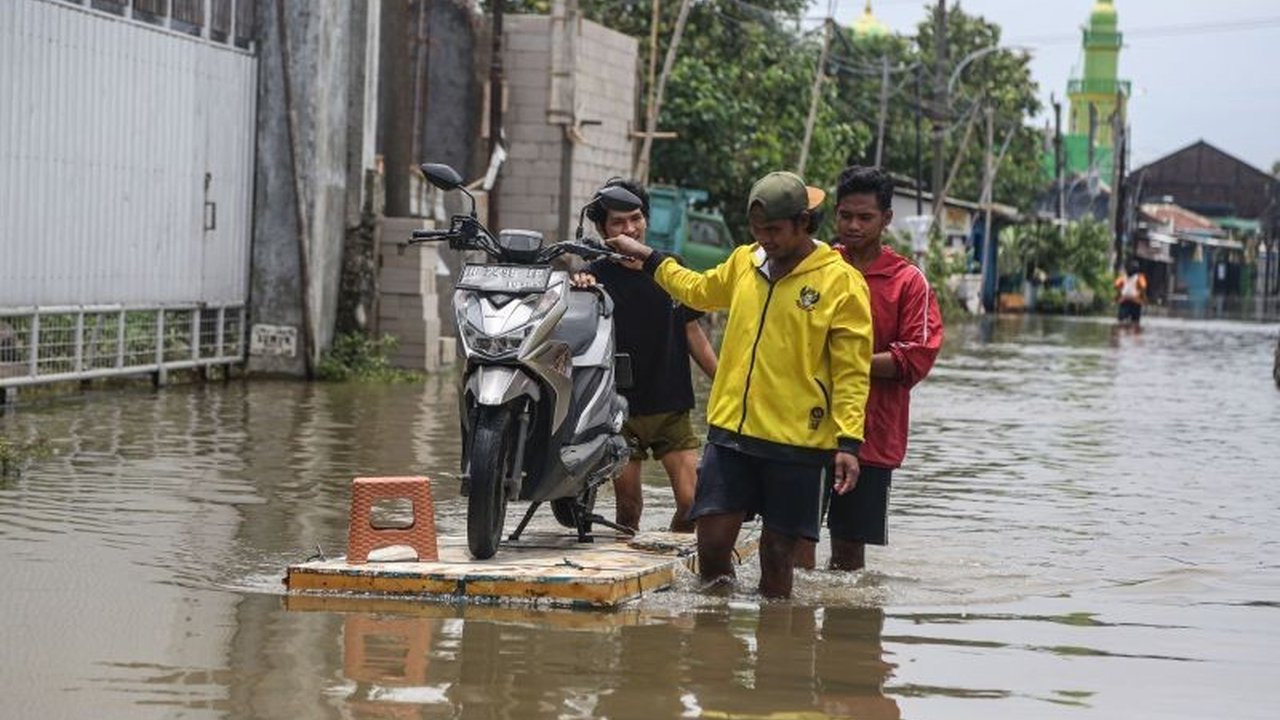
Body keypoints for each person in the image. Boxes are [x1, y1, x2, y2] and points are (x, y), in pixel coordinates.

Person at [606, 171, 873, 598]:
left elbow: (851, 372)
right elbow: (698, 289)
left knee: (776, 557)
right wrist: (650, 257)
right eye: (756, 229)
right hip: (732, 436)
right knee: (711, 547)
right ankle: (715, 646)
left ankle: (776, 652)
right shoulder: (744, 263)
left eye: (774, 230)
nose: (764, 238)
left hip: (797, 443)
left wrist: (849, 443)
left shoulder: (840, 283)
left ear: (803, 223)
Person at [794, 165, 944, 572]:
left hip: (871, 436)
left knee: (847, 553)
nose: (854, 226)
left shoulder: (908, 281)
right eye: (845, 216)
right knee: (792, 543)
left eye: (866, 218)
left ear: (886, 219)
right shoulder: (815, 265)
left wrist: (840, 359)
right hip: (804, 428)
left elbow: (914, 357)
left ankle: (848, 636)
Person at [576, 178, 718, 532]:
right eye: (618, 222)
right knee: (629, 509)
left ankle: (671, 567)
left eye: (636, 219)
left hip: (672, 406)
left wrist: (725, 378)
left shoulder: (670, 267)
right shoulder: (593, 276)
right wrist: (580, 290)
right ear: (603, 229)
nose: (630, 229)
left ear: (647, 220)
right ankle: (629, 575)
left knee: (691, 505)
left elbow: (691, 331)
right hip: (618, 412)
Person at [1115, 258, 1147, 325]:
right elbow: (1143, 287)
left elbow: (1117, 285)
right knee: (1134, 322)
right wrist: (1144, 298)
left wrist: (1118, 295)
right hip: (1134, 302)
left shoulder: (1123, 277)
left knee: (1121, 321)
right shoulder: (1139, 277)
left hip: (1126, 301)